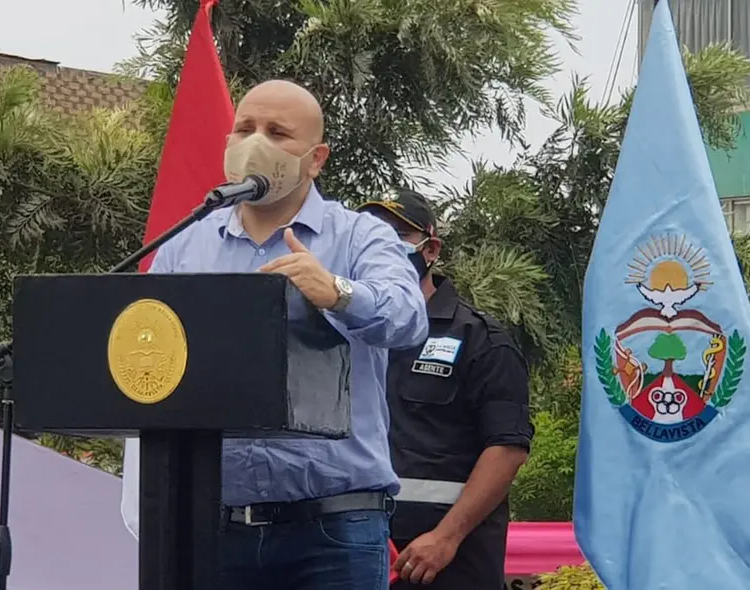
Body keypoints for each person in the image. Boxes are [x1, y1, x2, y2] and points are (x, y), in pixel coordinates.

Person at [120, 80, 428, 590]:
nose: (255, 142)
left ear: (316, 158)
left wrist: (336, 291)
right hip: (215, 528)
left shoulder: (359, 235)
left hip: (333, 530)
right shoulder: (185, 245)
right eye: (245, 128)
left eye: (277, 133)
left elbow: (407, 318)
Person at [357, 191, 533, 589]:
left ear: (431, 249)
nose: (381, 246)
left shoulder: (481, 340)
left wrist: (446, 537)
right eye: (368, 235)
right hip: (353, 554)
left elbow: (507, 449)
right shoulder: (344, 338)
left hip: (447, 563)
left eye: (397, 234)